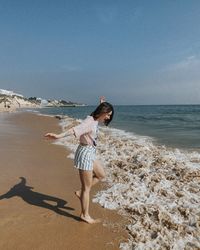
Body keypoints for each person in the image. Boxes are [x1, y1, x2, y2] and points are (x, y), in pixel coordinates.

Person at [45, 97, 114, 224]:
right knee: (87, 189)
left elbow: (95, 116)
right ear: (103, 112)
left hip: (90, 153)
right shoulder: (90, 123)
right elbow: (74, 130)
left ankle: (79, 192)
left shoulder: (93, 118)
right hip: (85, 154)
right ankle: (84, 215)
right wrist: (58, 136)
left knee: (101, 175)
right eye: (108, 115)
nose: (108, 118)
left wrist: (101, 104)